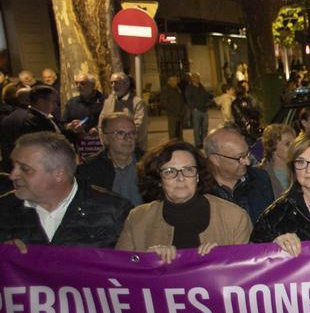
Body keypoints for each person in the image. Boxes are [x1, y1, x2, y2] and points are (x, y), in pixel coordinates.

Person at [115, 141, 251, 263]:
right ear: (158, 180)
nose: (180, 178)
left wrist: (224, 261)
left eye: (188, 170)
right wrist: (145, 262)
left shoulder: (235, 217)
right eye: (170, 172)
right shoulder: (138, 219)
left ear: (198, 176)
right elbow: (118, 273)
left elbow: (250, 274)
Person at [0, 132, 131, 248]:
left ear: (59, 174)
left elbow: (130, 269)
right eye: (13, 166)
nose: (12, 175)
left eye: (25, 169)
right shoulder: (4, 210)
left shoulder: (114, 211)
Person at [204, 126, 273, 223]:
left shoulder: (260, 179)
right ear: (215, 159)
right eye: (240, 157)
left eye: (247, 154)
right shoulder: (200, 189)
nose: (247, 162)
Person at [76, 112, 144, 207]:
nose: (128, 138)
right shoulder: (89, 170)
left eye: (132, 133)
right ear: (105, 138)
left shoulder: (149, 165)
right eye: (120, 133)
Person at [100, 72, 148, 151]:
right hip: (111, 148)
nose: (113, 85)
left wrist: (122, 140)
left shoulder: (137, 102)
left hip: (132, 147)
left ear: (126, 84)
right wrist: (106, 141)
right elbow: (101, 123)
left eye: (116, 82)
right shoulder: (108, 102)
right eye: (111, 83)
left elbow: (140, 126)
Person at [258, 123, 296, 198]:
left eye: (294, 143)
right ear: (273, 147)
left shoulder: (300, 170)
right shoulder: (261, 176)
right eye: (287, 144)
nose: (294, 147)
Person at [185, 72, 213, 147]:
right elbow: (188, 99)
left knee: (205, 127)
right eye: (196, 77)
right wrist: (194, 108)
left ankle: (204, 141)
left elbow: (206, 95)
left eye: (198, 77)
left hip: (204, 110)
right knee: (197, 128)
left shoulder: (201, 86)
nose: (197, 79)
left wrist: (208, 103)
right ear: (192, 79)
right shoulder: (189, 88)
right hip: (196, 110)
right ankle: (198, 143)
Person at [160, 75, 186, 140]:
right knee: (173, 133)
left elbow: (181, 100)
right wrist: (174, 110)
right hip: (172, 115)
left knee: (179, 133)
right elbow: (164, 103)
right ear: (169, 82)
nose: (176, 82)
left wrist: (183, 110)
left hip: (180, 114)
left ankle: (180, 145)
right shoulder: (166, 89)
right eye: (174, 80)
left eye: (176, 80)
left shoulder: (177, 89)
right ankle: (173, 147)